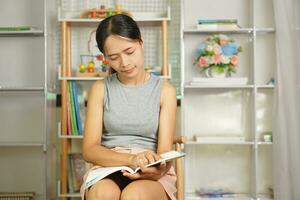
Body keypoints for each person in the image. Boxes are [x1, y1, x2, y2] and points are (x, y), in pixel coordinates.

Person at [81, 14, 177, 200]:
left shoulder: (165, 90)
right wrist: (130, 160)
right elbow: (90, 150)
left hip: (151, 171)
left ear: (140, 43)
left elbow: (165, 152)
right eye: (114, 57)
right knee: (102, 194)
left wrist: (154, 171)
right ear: (105, 57)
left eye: (129, 52)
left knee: (135, 196)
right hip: (108, 166)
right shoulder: (100, 88)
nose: (124, 63)